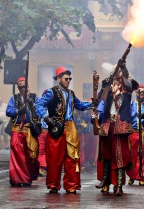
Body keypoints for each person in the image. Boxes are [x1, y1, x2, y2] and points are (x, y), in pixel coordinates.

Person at [36, 66, 92, 194]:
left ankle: (71, 185)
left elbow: (80, 105)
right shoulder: (51, 92)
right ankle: (53, 185)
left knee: (72, 158)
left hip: (71, 127)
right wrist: (46, 118)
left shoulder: (71, 93)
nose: (68, 81)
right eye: (66, 78)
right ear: (59, 78)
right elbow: (39, 105)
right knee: (55, 158)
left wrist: (92, 103)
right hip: (57, 127)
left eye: (70, 79)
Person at [94, 59, 138, 196]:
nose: (117, 72)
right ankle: (105, 179)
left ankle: (119, 185)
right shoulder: (107, 86)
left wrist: (123, 69)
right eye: (115, 70)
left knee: (120, 156)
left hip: (120, 125)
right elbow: (100, 100)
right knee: (106, 154)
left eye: (118, 70)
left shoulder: (128, 87)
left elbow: (129, 82)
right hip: (108, 124)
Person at [6, 77, 41, 187]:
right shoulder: (14, 98)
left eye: (24, 86)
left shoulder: (35, 98)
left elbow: (40, 111)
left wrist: (32, 105)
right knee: (17, 155)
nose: (23, 89)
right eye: (20, 87)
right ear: (18, 87)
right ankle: (18, 179)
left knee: (30, 155)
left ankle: (29, 176)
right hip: (17, 129)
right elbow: (8, 111)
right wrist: (18, 111)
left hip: (30, 130)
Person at [127, 85, 144, 186]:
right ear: (136, 93)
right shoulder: (131, 104)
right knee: (132, 157)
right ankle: (132, 176)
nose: (141, 94)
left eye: (143, 93)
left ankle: (142, 177)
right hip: (133, 133)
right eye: (139, 92)